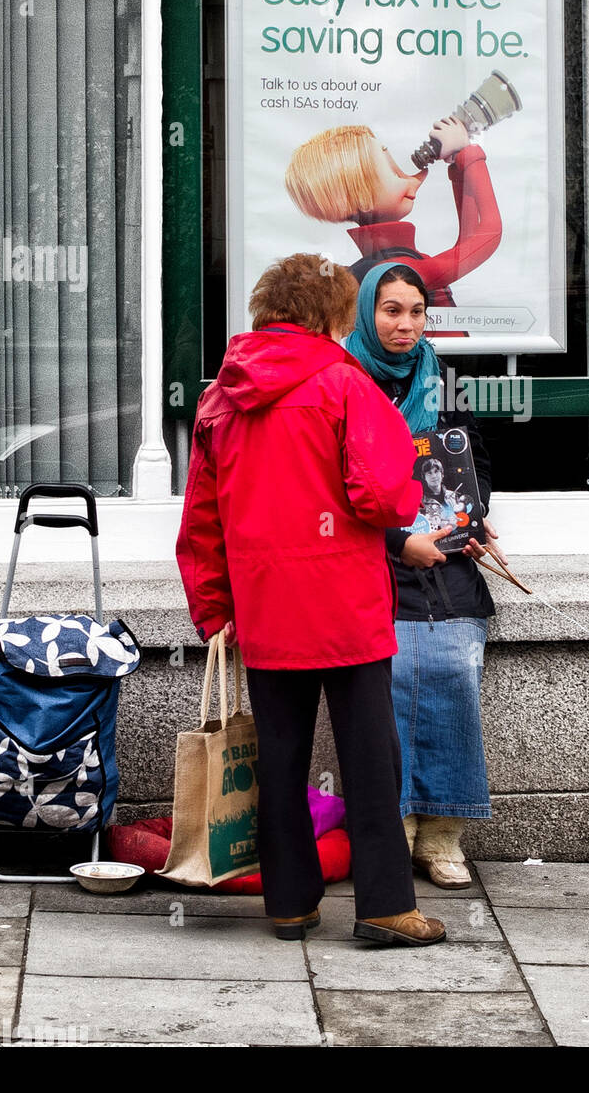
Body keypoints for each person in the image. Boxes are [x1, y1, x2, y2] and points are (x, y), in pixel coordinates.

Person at [175, 253, 446, 946]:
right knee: (370, 762)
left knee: (281, 760)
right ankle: (385, 906)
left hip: (264, 611)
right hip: (345, 605)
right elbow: (380, 494)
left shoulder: (220, 397)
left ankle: (289, 904)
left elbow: (201, 521)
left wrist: (214, 610)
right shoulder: (345, 384)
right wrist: (409, 491)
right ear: (331, 313)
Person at [343, 260, 499, 887]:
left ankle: (442, 833)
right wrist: (397, 541)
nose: (405, 325)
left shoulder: (442, 381)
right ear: (365, 313)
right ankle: (395, 825)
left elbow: (476, 462)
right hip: (372, 568)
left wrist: (472, 514)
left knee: (453, 677)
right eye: (390, 311)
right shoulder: (343, 380)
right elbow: (332, 491)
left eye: (416, 311)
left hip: (448, 568)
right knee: (392, 684)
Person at [283, 116, 501, 334]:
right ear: (364, 199)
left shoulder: (384, 263)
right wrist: (471, 155)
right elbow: (489, 234)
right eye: (394, 172)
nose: (413, 177)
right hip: (438, 367)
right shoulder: (395, 268)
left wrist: (459, 166)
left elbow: (467, 242)